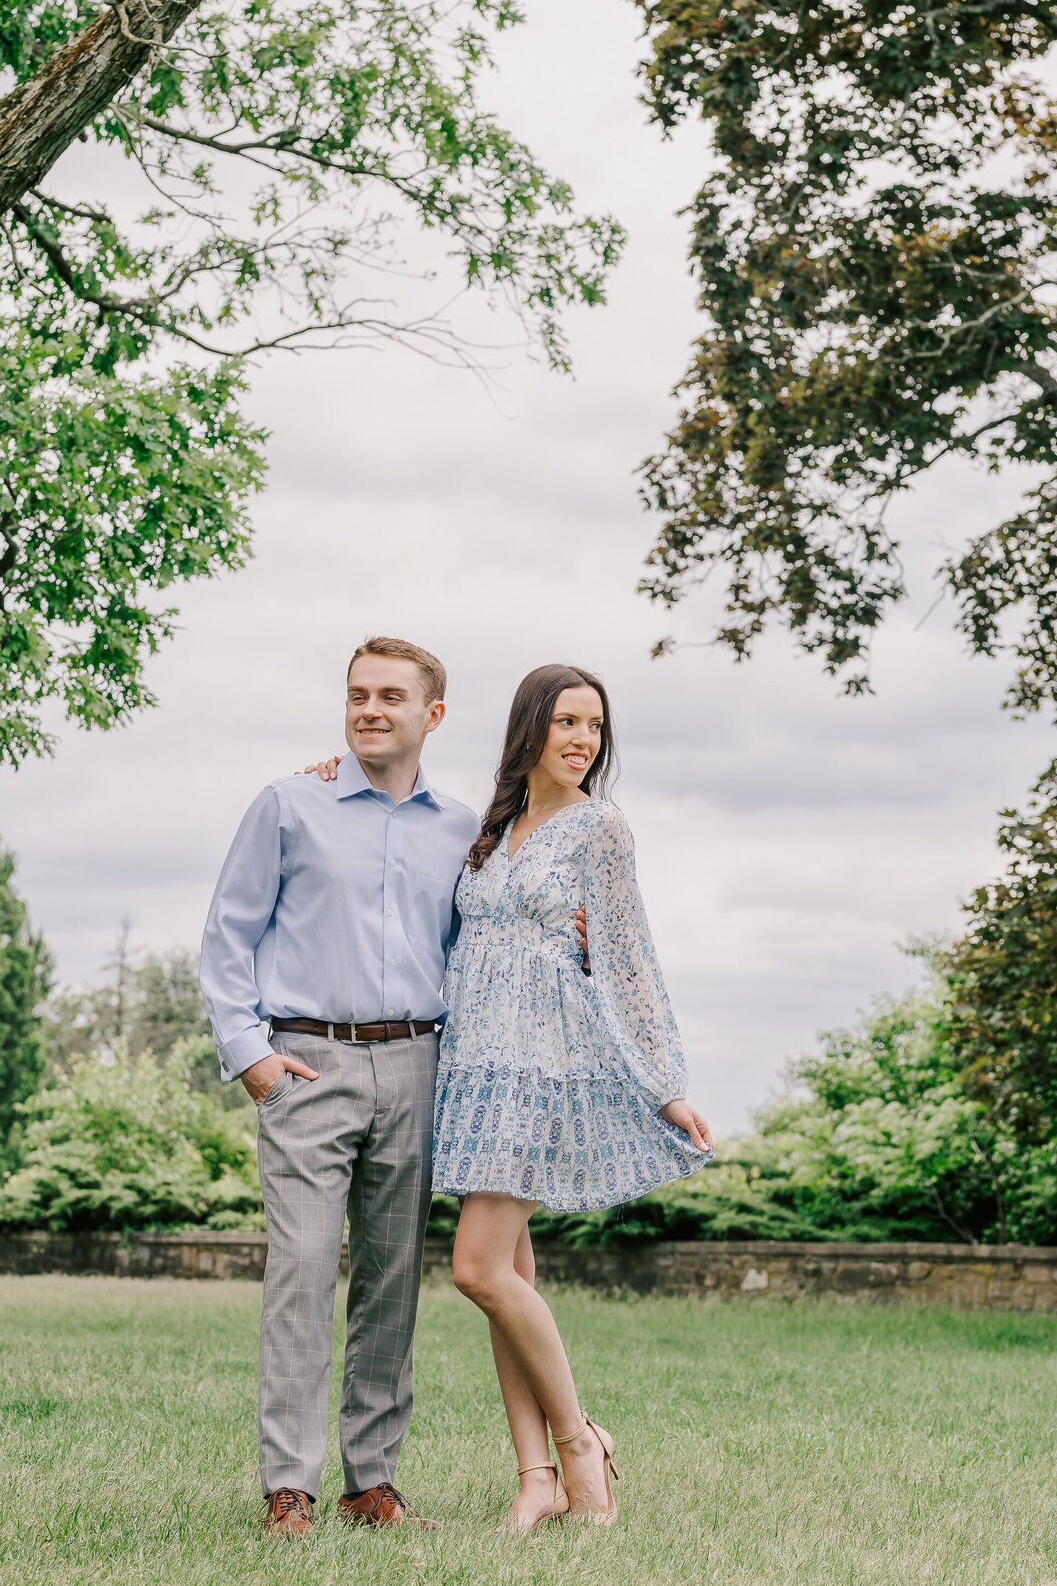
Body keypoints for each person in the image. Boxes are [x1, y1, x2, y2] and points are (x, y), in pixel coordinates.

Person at [199, 636, 479, 1535]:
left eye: (392, 696)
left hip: (417, 1066)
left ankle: (372, 1484)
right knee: (303, 1271)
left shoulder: (462, 828)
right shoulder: (288, 803)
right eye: (358, 694)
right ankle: (291, 1486)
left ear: (431, 715)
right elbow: (227, 934)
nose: (369, 709)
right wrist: (253, 1059)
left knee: (393, 1282)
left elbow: (477, 950)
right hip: (307, 1064)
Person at [434, 664, 713, 1531]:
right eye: (566, 722)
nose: (583, 740)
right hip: (474, 1068)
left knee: (475, 1267)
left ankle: (580, 1443)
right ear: (531, 730)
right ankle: (535, 1478)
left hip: (543, 1069)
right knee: (507, 1277)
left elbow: (628, 958)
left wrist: (663, 1083)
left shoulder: (601, 829)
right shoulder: (494, 827)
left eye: (594, 725)